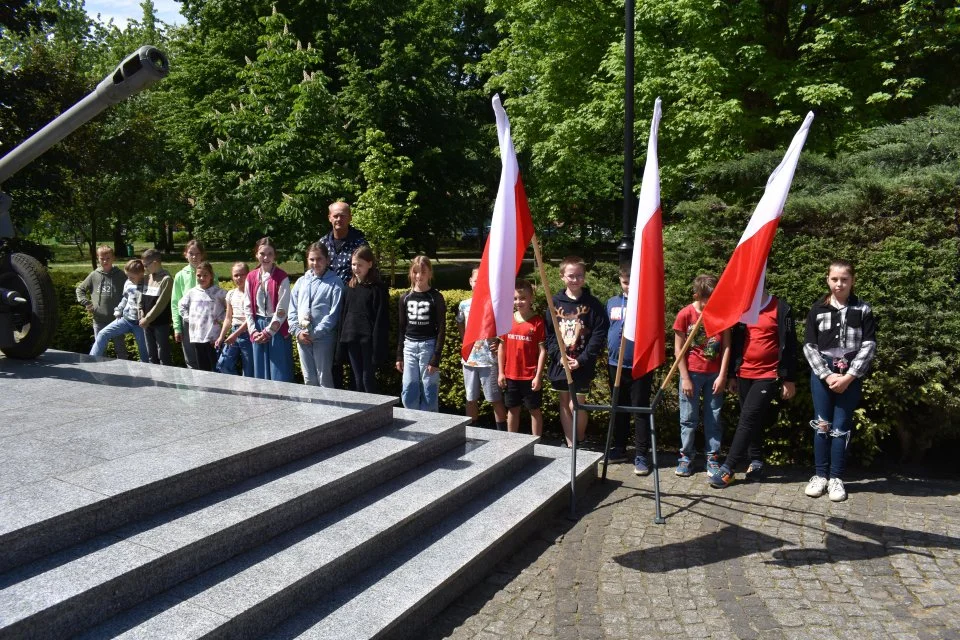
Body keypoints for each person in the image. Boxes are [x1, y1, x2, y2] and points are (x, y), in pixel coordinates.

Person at [802, 259, 876, 502]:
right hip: (823, 373)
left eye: (844, 279)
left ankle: (836, 478)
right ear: (828, 280)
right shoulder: (817, 310)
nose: (839, 284)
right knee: (822, 424)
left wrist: (849, 376)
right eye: (834, 279)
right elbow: (810, 346)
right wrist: (827, 374)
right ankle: (820, 475)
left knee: (841, 427)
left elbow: (868, 345)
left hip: (850, 376)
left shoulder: (862, 310)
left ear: (852, 280)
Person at [707, 290, 797, 488]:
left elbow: (790, 344)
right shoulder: (742, 308)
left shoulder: (781, 307)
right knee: (752, 419)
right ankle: (756, 461)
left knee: (747, 418)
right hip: (744, 373)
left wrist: (789, 378)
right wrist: (731, 374)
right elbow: (733, 343)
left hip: (768, 374)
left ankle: (728, 468)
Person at [545, 256, 608, 447]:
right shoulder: (554, 302)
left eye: (579, 276)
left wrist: (581, 359)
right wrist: (559, 357)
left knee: (577, 404)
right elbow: (549, 334)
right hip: (561, 363)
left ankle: (579, 438)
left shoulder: (593, 304)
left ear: (584, 277)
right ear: (562, 276)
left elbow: (598, 334)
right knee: (564, 402)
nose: (575, 280)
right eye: (571, 276)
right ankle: (571, 444)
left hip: (582, 363)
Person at [673, 273, 731, 477]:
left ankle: (712, 457)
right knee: (688, 418)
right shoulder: (685, 315)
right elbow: (678, 349)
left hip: (713, 374)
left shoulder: (720, 315)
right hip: (691, 374)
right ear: (697, 295)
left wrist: (722, 375)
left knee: (713, 417)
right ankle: (686, 457)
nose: (711, 302)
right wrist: (685, 377)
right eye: (707, 298)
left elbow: (726, 347)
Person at [605, 263, 655, 475]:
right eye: (625, 282)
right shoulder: (611, 303)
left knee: (639, 410)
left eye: (632, 283)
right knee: (619, 408)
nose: (628, 287)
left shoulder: (645, 304)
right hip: (615, 365)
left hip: (639, 366)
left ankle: (642, 454)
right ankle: (619, 448)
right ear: (620, 281)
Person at [457, 266, 507, 430]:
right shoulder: (464, 305)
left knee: (494, 399)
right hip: (470, 361)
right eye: (476, 281)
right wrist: (465, 341)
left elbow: (504, 329)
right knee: (470, 398)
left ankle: (502, 433)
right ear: (470, 282)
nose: (479, 284)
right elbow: (460, 323)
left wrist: (499, 343)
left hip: (489, 361)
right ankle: (471, 430)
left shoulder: (495, 305)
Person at [289, 242, 344, 387]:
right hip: (302, 336)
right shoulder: (301, 282)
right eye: (312, 259)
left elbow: (334, 314)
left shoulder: (335, 283)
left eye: (319, 259)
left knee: (323, 376)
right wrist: (297, 331)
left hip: (323, 338)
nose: (315, 263)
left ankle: (328, 408)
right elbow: (292, 309)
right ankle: (311, 407)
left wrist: (316, 333)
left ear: (327, 260)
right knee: (308, 378)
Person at [395, 255, 445, 411]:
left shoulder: (435, 297)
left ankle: (431, 428)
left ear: (430, 273)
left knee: (429, 391)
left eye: (423, 272)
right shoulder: (405, 298)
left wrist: (435, 357)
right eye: (415, 272)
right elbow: (402, 328)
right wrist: (399, 356)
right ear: (411, 273)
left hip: (428, 347)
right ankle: (412, 423)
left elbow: (442, 328)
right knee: (409, 390)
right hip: (409, 347)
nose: (419, 276)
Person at [498, 279, 547, 435]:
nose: (519, 302)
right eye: (515, 298)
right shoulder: (507, 319)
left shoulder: (538, 322)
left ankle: (536, 442)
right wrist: (501, 372)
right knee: (512, 409)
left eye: (523, 298)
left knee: (534, 410)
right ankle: (511, 442)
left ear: (531, 298)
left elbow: (542, 351)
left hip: (530, 376)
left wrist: (538, 376)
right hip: (511, 375)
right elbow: (501, 347)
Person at [339, 246, 390, 393]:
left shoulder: (377, 289)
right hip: (351, 337)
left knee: (367, 377)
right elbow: (344, 314)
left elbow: (380, 319)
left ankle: (371, 412)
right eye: (354, 264)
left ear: (370, 264)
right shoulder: (349, 288)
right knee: (356, 378)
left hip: (367, 341)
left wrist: (376, 344)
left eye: (360, 265)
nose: (356, 268)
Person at [244, 237, 293, 381]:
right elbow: (247, 306)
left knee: (279, 370)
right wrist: (253, 330)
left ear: (275, 255)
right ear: (256, 255)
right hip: (258, 326)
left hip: (276, 327)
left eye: (270, 254)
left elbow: (282, 309)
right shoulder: (251, 277)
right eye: (262, 254)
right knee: (261, 370)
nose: (266, 257)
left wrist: (268, 331)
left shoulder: (281, 277)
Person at [89, 259, 148, 362]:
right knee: (103, 334)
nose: (129, 278)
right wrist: (119, 309)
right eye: (127, 276)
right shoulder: (128, 282)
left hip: (140, 323)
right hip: (126, 320)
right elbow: (125, 298)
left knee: (143, 349)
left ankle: (147, 369)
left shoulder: (148, 284)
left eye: (132, 277)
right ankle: (91, 359)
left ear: (141, 274)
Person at [76, 245, 128, 359]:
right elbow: (80, 289)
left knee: (121, 350)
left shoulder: (121, 275)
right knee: (100, 350)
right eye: (102, 259)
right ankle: (100, 373)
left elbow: (130, 292)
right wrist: (86, 302)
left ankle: (125, 374)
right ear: (98, 259)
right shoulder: (94, 275)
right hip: (99, 320)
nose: (105, 261)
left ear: (113, 258)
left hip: (117, 320)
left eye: (108, 258)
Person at [177, 261, 228, 372]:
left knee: (215, 365)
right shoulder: (192, 292)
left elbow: (230, 306)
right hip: (197, 336)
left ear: (211, 276)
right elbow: (181, 305)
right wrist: (189, 319)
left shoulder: (218, 292)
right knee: (202, 366)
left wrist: (221, 318)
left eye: (205, 275)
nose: (202, 278)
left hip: (213, 336)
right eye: (199, 275)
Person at [171, 240, 211, 370]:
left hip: (206, 320)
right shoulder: (180, 276)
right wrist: (177, 327)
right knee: (190, 356)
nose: (194, 257)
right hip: (187, 321)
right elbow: (175, 302)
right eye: (191, 253)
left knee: (207, 356)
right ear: (185, 254)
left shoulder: (210, 274)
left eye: (197, 254)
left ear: (202, 255)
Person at [215, 262, 254, 376]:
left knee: (249, 369)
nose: (239, 278)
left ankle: (247, 390)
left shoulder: (252, 293)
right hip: (234, 333)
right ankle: (238, 385)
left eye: (242, 275)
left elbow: (250, 318)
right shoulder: (231, 294)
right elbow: (228, 318)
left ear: (248, 275)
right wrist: (221, 337)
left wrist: (236, 334)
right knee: (223, 364)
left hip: (247, 334)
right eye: (236, 275)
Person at [139, 248, 173, 365]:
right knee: (151, 354)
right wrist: (141, 312)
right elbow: (141, 298)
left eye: (145, 265)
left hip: (160, 323)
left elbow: (161, 304)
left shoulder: (166, 279)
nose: (144, 268)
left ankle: (167, 381)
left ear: (154, 263)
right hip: (147, 323)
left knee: (163, 354)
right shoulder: (147, 278)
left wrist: (147, 319)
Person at [321, 201, 368, 284]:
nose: (339, 219)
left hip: (351, 293)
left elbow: (370, 271)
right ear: (329, 218)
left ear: (350, 217)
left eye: (342, 216)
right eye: (335, 216)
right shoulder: (322, 244)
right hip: (327, 293)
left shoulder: (360, 244)